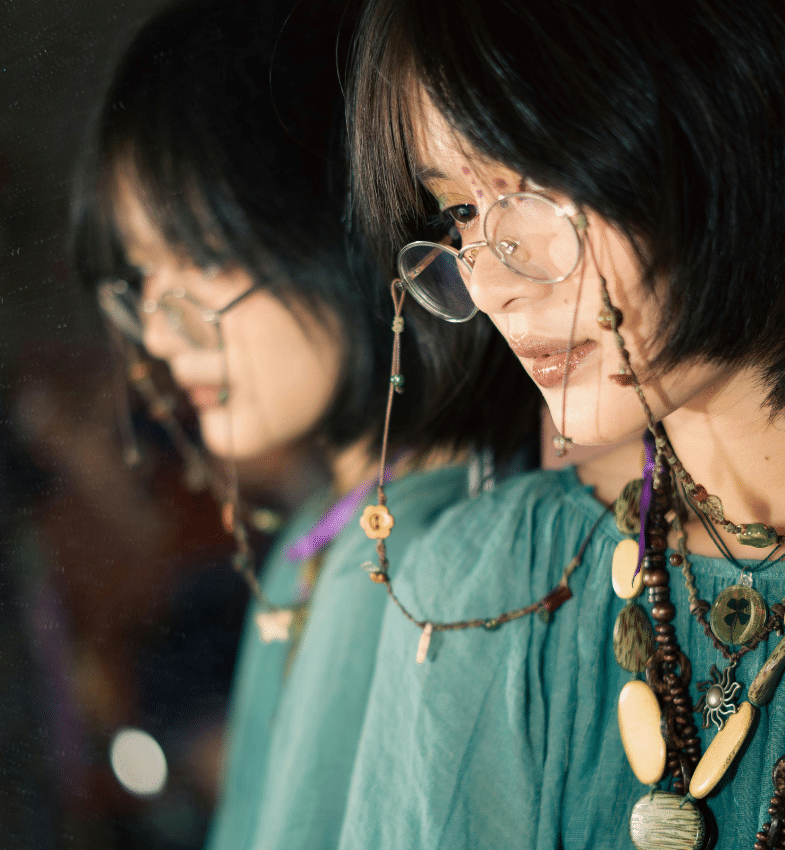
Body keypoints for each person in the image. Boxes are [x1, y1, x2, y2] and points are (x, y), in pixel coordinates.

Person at [341, 1, 785, 848]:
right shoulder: (483, 593)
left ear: (745, 99)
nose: (493, 279)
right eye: (459, 213)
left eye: (534, 186)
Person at [71, 1, 539, 847]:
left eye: (204, 258)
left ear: (342, 216)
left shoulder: (449, 565)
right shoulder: (321, 542)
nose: (161, 329)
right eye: (140, 276)